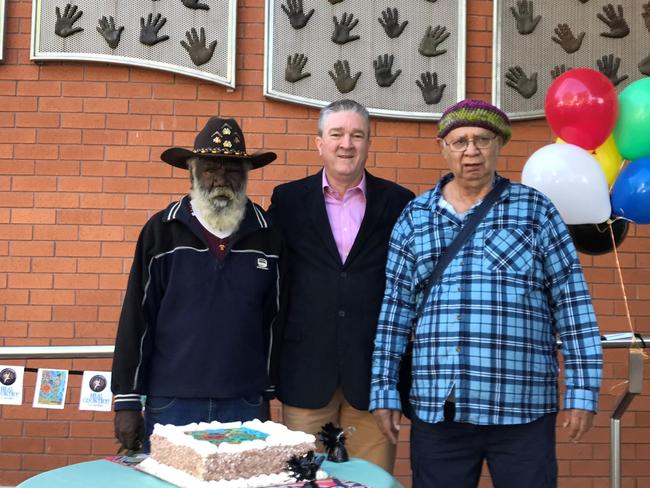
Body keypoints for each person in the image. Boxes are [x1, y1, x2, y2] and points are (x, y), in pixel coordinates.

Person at [370, 99, 602, 487]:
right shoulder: (415, 217)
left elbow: (573, 305)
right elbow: (394, 311)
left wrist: (583, 391)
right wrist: (383, 387)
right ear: (443, 147)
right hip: (439, 409)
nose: (471, 151)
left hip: (521, 409)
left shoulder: (536, 211)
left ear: (500, 144)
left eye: (482, 139)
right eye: (459, 141)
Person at [111, 117, 281, 452]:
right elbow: (137, 320)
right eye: (210, 167)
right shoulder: (161, 231)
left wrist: (269, 393)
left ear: (246, 174)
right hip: (172, 403)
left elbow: (274, 320)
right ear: (192, 172)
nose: (221, 177)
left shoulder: (268, 234)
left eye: (233, 168)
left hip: (244, 403)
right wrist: (127, 401)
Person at [269, 99, 414, 473]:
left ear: (368, 143)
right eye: (336, 134)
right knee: (302, 479)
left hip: (375, 374)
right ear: (319, 143)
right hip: (305, 371)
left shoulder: (400, 203)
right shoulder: (287, 201)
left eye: (357, 135)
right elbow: (271, 281)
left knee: (371, 479)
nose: (346, 144)